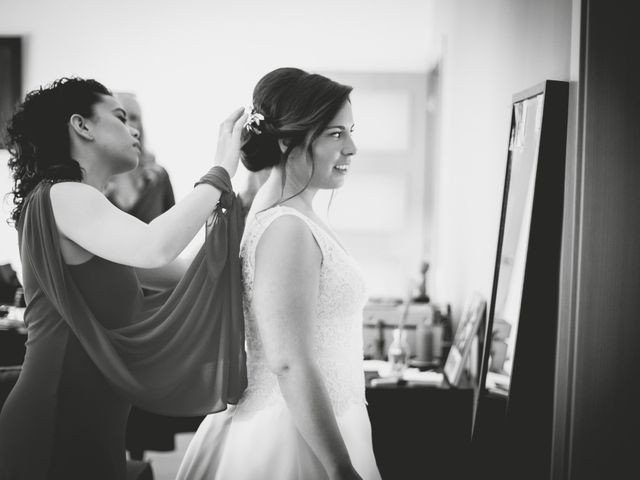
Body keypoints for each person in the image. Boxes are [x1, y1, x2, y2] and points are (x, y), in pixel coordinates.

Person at [0, 77, 249, 479]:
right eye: (119, 117)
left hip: (92, 416)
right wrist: (220, 172)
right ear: (81, 126)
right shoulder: (62, 194)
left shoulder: (82, 207)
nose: (134, 129)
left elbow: (184, 275)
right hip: (58, 412)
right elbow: (155, 246)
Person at [177, 67, 382, 480]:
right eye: (335, 134)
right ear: (288, 140)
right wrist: (341, 469)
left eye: (350, 131)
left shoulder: (294, 215)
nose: (353, 148)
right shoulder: (286, 227)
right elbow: (288, 361)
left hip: (328, 419)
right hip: (291, 437)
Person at [104, 92, 176, 224]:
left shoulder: (159, 177)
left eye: (134, 118)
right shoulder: (96, 182)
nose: (130, 124)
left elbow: (176, 229)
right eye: (121, 117)